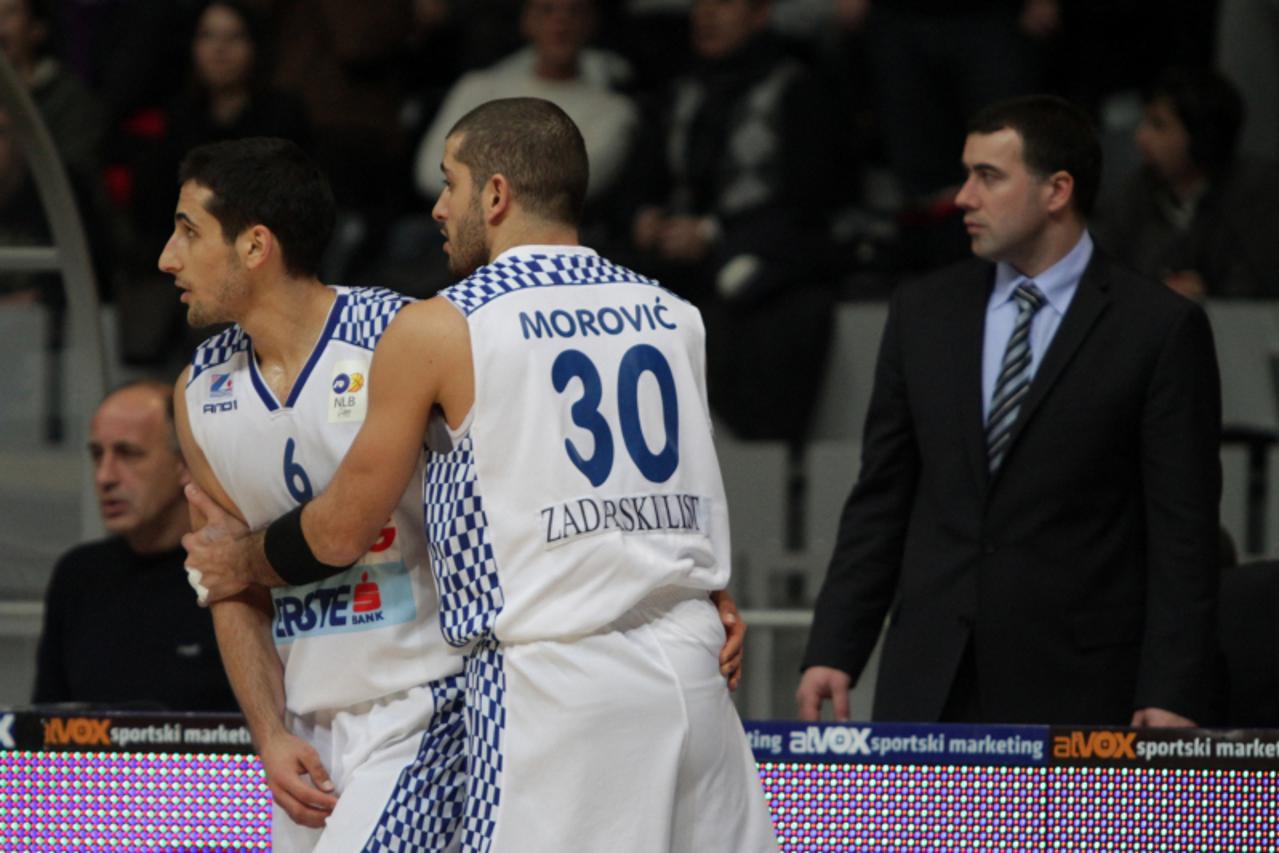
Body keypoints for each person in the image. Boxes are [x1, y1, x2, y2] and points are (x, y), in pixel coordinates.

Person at [182, 98, 777, 852]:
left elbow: (338, 528)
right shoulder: (673, 313)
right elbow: (665, 495)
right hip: (692, 666)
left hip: (554, 681)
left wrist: (237, 558)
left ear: (494, 196)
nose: (437, 207)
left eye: (449, 183)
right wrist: (709, 590)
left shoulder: (438, 324)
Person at [796, 95, 1222, 726]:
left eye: (987, 177)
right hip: (929, 680)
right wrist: (835, 646)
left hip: (1084, 689)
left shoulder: (1158, 330)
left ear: (1057, 191)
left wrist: (1170, 690)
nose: (963, 197)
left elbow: (1183, 533)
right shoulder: (923, 313)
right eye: (966, 174)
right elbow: (882, 497)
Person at [161, 137, 468, 851]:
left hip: (427, 702)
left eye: (187, 231)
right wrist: (269, 731)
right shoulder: (199, 390)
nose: (166, 258)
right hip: (308, 732)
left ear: (255, 246)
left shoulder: (398, 337)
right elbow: (227, 580)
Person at [625, 0, 838, 444]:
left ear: (760, 15)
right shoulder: (679, 87)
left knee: (760, 297)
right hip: (673, 255)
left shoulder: (798, 87)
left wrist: (710, 232)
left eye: (723, 5)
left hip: (763, 248)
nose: (707, 16)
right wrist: (643, 215)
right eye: (700, 5)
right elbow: (639, 177)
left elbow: (812, 196)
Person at [33, 380, 236, 711]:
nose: (105, 477)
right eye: (98, 455)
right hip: (91, 765)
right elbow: (40, 732)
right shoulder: (79, 576)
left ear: (185, 464)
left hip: (212, 764)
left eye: (128, 454)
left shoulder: (231, 571)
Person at [1095, 66, 1279, 300]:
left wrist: (1208, 295)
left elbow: (1257, 289)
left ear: (1202, 135)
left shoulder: (1257, 195)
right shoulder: (1132, 194)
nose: (1141, 138)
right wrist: (1157, 294)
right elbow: (1103, 278)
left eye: (1159, 125)